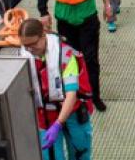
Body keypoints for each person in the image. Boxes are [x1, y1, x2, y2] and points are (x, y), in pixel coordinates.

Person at [37, 0, 111, 112]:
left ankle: (95, 96)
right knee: (69, 59)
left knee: (91, 58)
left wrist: (107, 6)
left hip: (87, 16)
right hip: (65, 17)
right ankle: (74, 95)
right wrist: (43, 11)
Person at [18, 19, 94, 160]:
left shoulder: (65, 56)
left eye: (33, 44)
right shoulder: (23, 57)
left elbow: (71, 95)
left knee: (80, 152)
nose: (30, 49)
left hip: (73, 112)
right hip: (46, 116)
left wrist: (59, 123)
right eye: (25, 46)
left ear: (43, 35)